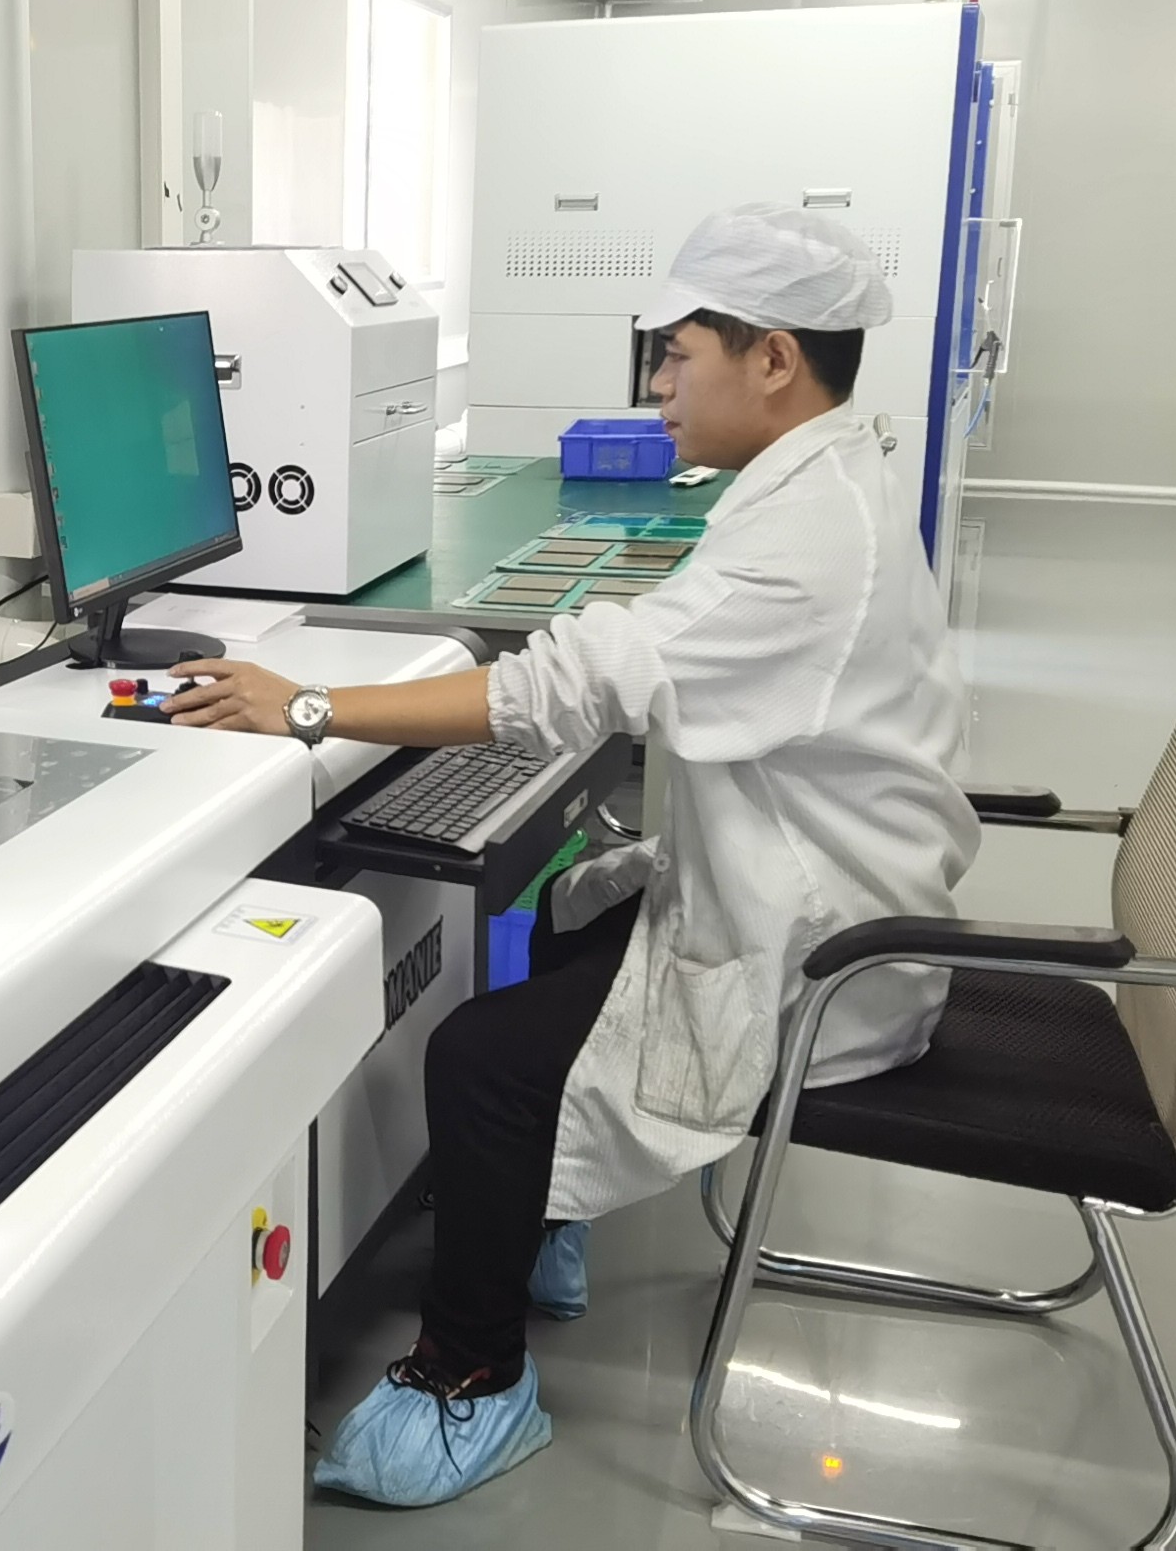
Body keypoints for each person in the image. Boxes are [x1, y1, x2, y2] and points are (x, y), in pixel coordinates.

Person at [165, 203, 977, 1508]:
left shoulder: (811, 535)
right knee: (565, 917)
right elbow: (659, 651)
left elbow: (581, 685)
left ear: (774, 359)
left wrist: (308, 705)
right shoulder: (823, 476)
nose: (657, 386)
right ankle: (538, 1216)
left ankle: (474, 1378)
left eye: (677, 355)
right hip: (820, 888)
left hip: (837, 962)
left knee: (476, 1060)